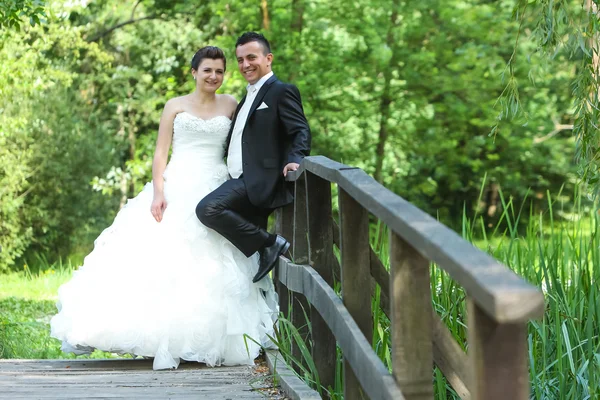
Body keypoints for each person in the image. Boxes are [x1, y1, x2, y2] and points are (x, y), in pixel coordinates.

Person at [50, 46, 278, 371]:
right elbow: (160, 152)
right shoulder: (175, 106)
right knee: (161, 258)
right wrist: (158, 190)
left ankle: (205, 340)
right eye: (207, 70)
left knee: (215, 261)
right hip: (177, 182)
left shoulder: (231, 104)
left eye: (219, 71)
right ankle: (158, 338)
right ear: (194, 73)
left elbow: (248, 138)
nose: (213, 76)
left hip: (216, 186)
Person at [196, 32, 311, 283]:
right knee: (243, 265)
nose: (245, 64)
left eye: (251, 57)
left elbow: (300, 130)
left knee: (207, 209)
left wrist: (297, 158)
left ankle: (270, 243)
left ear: (268, 58)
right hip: (238, 177)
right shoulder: (248, 95)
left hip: (259, 179)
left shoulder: (281, 91)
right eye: (239, 60)